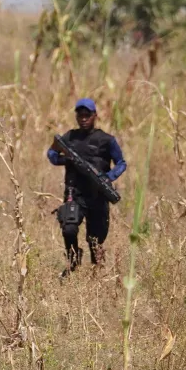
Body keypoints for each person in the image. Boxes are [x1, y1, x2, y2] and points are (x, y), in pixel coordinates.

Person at [47, 98, 127, 274]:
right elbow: (52, 154)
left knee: (95, 241)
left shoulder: (106, 140)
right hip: (74, 194)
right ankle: (73, 259)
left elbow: (121, 163)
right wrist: (65, 159)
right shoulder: (69, 137)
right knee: (68, 228)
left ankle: (97, 277)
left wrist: (108, 177)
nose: (83, 118)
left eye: (87, 115)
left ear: (95, 116)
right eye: (80, 115)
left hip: (98, 196)